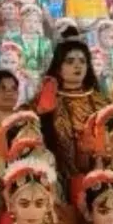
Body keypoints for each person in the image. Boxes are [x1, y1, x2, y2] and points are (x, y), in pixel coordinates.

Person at [32, 32, 108, 180]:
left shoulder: (102, 102)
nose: (77, 66)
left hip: (99, 176)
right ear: (58, 67)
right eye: (70, 61)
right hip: (55, 176)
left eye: (82, 61)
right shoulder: (46, 100)